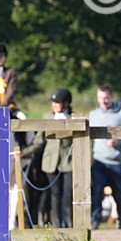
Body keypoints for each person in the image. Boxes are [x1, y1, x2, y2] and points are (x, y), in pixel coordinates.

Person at [89, 85, 121, 229]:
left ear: (112, 97)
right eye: (101, 98)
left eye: (106, 98)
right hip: (99, 161)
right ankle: (95, 220)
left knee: (119, 193)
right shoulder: (93, 115)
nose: (104, 101)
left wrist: (119, 142)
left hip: (116, 161)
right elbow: (87, 138)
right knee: (97, 191)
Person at [40, 88, 74, 228]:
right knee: (55, 193)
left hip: (68, 161)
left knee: (68, 193)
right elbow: (39, 139)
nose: (54, 105)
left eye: (57, 102)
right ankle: (56, 223)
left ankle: (69, 221)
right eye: (53, 102)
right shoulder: (47, 117)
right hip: (50, 161)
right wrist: (25, 152)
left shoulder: (73, 117)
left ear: (66, 103)